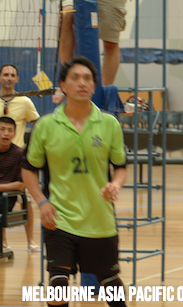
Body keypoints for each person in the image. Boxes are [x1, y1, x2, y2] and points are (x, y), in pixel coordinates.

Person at [22, 57, 127, 307]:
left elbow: (121, 167)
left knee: (111, 284)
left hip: (99, 219)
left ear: (94, 86)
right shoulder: (46, 125)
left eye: (88, 79)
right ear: (63, 85)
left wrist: (116, 184)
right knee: (58, 286)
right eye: (75, 78)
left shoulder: (109, 124)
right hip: (59, 218)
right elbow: (28, 170)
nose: (82, 83)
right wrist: (42, 202)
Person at [0, 63, 40, 252]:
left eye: (12, 75)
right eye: (5, 74)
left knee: (27, 200)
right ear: (0, 77)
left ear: (17, 79)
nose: (8, 78)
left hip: (18, 160)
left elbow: (38, 125)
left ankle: (30, 240)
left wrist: (32, 150)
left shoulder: (25, 101)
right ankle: (3, 241)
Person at [0, 117, 25, 252]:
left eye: (10, 130)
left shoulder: (19, 154)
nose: (6, 133)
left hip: (6, 199)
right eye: (2, 129)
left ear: (14, 134)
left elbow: (20, 185)